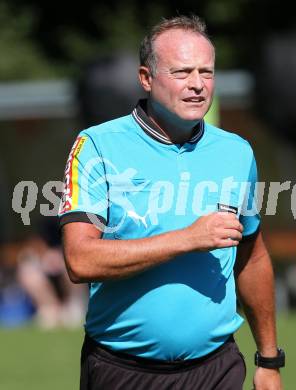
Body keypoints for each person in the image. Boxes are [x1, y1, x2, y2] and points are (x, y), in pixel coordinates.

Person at [59, 15, 284, 390]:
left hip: (218, 368)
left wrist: (269, 359)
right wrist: (188, 238)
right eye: (181, 72)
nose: (197, 85)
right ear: (146, 78)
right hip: (122, 370)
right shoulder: (97, 146)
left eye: (206, 72)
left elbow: (252, 255)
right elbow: (80, 259)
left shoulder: (236, 152)